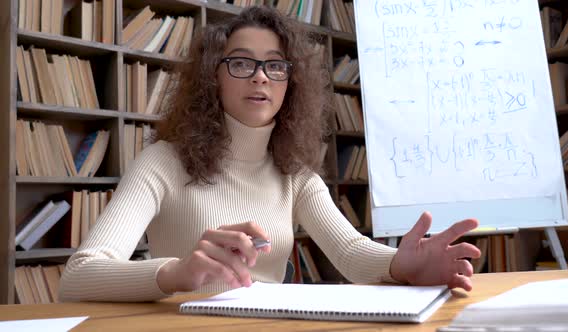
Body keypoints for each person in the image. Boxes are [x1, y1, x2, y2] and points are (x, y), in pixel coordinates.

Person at [59, 6, 481, 302]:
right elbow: (78, 276)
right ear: (214, 78)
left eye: (275, 66)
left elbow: (350, 253)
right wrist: (176, 273)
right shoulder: (163, 163)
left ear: (288, 84)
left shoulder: (295, 176)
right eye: (241, 63)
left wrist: (403, 266)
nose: (260, 77)